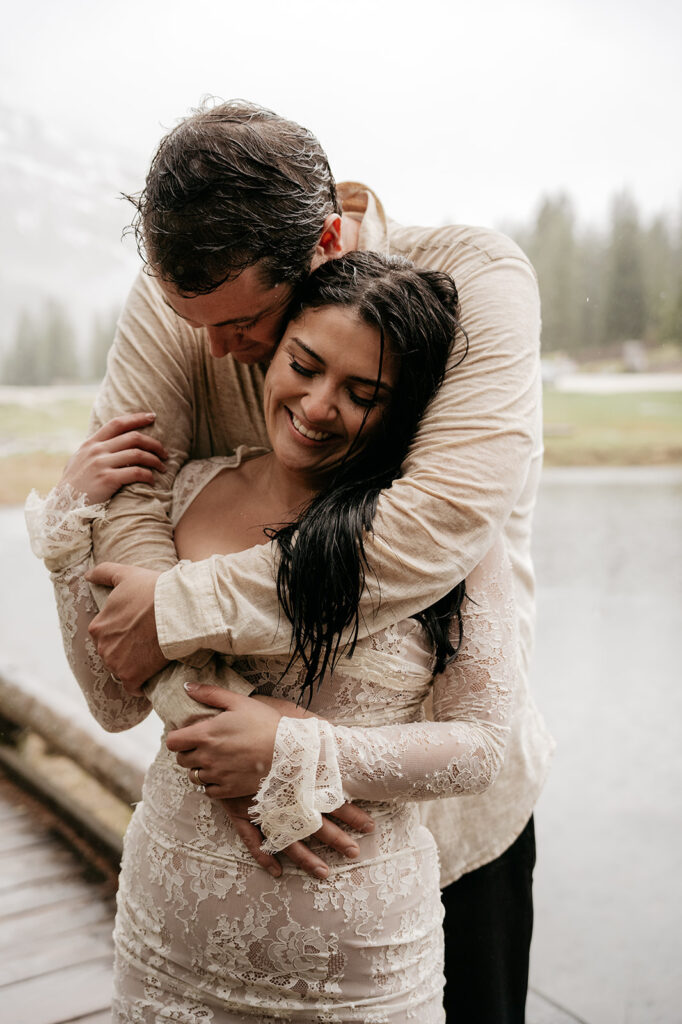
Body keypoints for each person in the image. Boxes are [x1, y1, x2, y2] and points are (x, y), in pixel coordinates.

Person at [71, 101, 553, 1021]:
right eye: (190, 320)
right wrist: (219, 731)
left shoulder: (478, 281)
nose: (214, 349)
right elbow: (130, 497)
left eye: (247, 323)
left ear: (327, 243)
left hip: (448, 834)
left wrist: (174, 613)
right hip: (214, 856)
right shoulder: (194, 292)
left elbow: (435, 525)